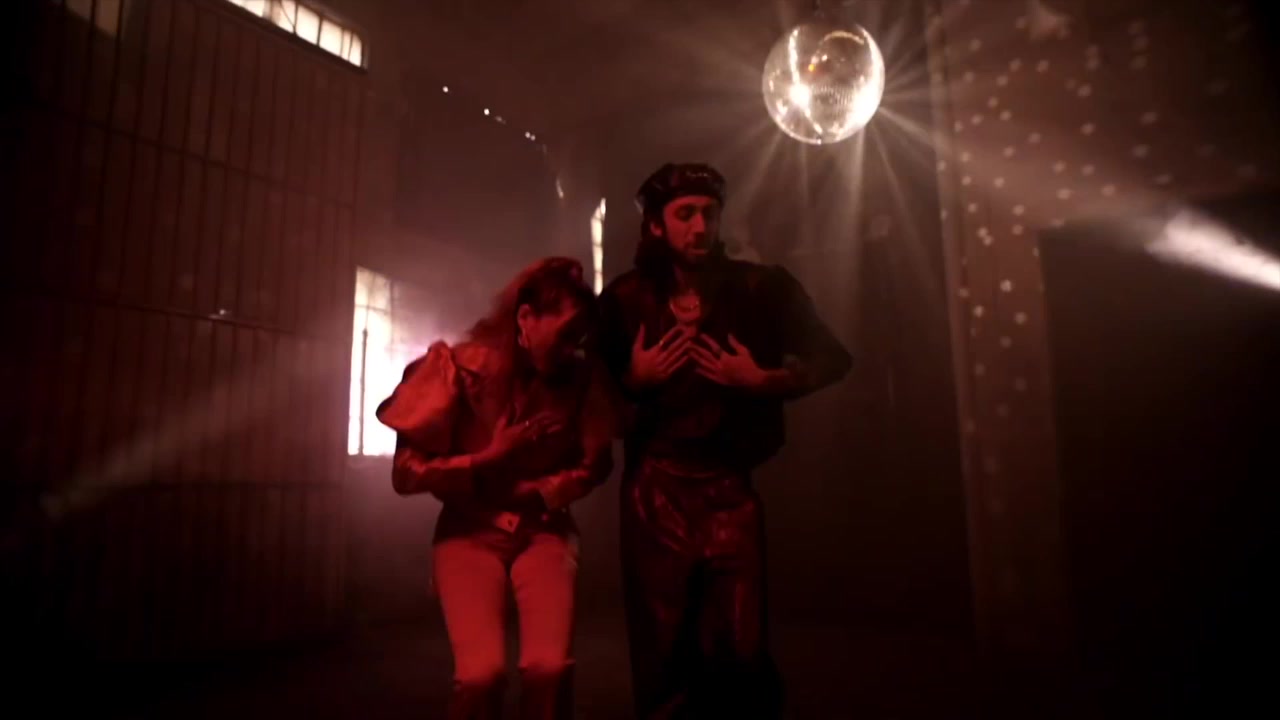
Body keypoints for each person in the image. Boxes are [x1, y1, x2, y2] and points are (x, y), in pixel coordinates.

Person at [598, 163, 853, 719]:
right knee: (665, 646)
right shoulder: (624, 299)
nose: (700, 226)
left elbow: (833, 358)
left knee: (741, 643)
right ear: (657, 225)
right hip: (655, 490)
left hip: (728, 486)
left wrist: (765, 381)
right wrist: (634, 381)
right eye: (685, 214)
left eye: (709, 213)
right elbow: (587, 389)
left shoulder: (759, 288)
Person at [376, 257, 614, 720]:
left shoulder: (579, 381)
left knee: (549, 669)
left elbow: (595, 464)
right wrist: (488, 458)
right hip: (469, 532)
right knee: (480, 677)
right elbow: (406, 473)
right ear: (526, 317)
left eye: (581, 337)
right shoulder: (459, 369)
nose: (572, 348)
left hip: (543, 531)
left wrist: (539, 490)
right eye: (566, 332)